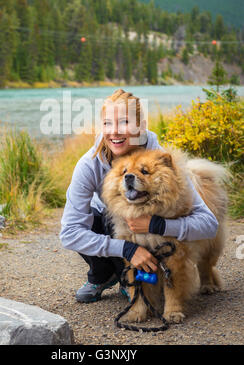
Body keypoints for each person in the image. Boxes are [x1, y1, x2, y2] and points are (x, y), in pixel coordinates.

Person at [59, 89, 219, 303]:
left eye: (123, 122)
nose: (114, 132)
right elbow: (70, 232)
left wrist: (158, 226)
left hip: (153, 233)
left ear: (141, 126)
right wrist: (127, 248)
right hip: (111, 227)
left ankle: (146, 276)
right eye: (107, 123)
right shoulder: (89, 165)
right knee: (107, 218)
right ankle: (103, 274)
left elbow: (209, 224)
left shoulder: (162, 160)